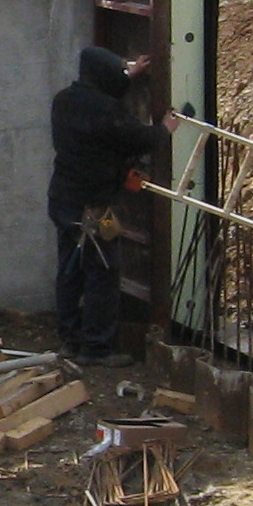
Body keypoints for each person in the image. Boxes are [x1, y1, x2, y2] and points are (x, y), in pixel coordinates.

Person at [48, 47, 179, 364]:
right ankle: (97, 348)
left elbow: (104, 106)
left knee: (70, 269)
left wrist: (127, 78)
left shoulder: (64, 100)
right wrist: (166, 128)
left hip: (63, 200)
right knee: (104, 271)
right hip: (94, 210)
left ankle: (71, 340)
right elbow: (138, 138)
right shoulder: (105, 110)